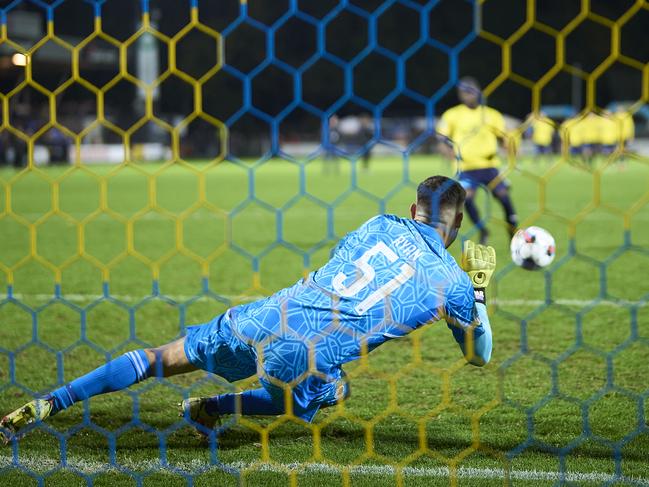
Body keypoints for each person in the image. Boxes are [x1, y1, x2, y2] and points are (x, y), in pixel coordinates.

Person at [0, 176, 495, 442]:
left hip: (268, 312)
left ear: (414, 210)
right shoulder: (451, 281)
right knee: (331, 389)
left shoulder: (379, 223)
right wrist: (477, 290)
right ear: (454, 230)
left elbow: (343, 262)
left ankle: (48, 403)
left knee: (162, 357)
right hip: (306, 355)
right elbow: (479, 356)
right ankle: (212, 408)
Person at [436, 77, 518, 245]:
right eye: (463, 92)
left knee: (503, 197)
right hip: (466, 168)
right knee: (466, 199)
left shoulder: (491, 114)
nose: (467, 95)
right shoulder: (452, 114)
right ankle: (482, 230)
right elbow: (441, 138)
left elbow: (504, 138)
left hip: (490, 166)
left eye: (470, 91)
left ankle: (513, 233)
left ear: (478, 92)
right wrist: (448, 152)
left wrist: (509, 149)